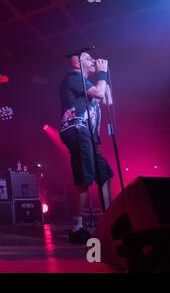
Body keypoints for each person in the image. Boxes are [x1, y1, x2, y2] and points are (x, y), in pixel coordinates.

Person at [59, 52, 114, 244]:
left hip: (88, 134)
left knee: (105, 175)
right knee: (85, 177)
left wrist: (103, 75)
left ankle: (110, 220)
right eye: (89, 58)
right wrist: (102, 73)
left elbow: (107, 100)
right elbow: (99, 93)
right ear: (77, 62)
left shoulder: (88, 84)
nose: (93, 60)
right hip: (77, 128)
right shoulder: (72, 77)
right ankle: (76, 228)